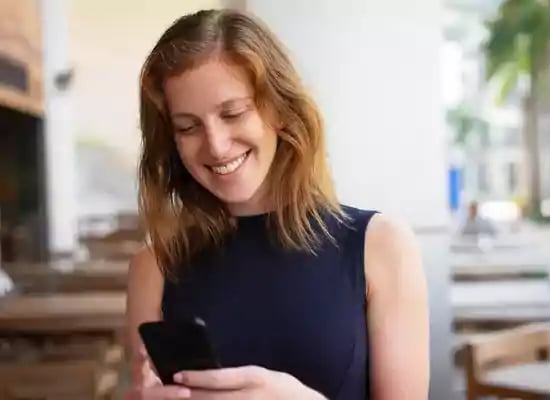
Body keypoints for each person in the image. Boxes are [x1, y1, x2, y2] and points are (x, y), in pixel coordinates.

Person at [126, 8, 429, 400]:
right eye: (188, 127)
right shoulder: (154, 267)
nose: (216, 145)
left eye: (233, 113)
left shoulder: (382, 246)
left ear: (280, 111)